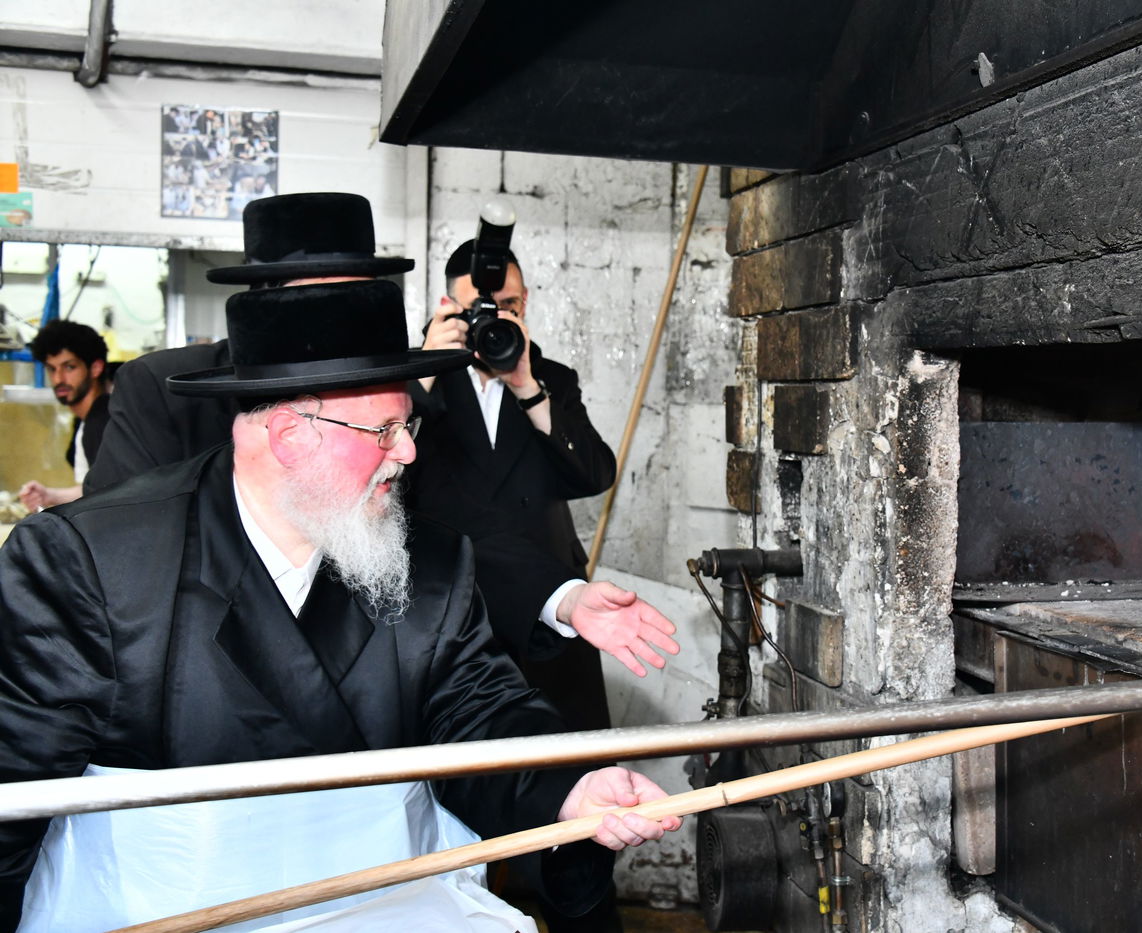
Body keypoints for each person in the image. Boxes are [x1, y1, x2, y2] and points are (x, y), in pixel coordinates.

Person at [0, 280, 682, 931]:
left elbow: (482, 711)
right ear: (292, 435)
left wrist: (566, 791)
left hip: (380, 906)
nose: (409, 453)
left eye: (408, 425)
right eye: (384, 431)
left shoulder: (432, 562)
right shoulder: (89, 561)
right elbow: (13, 791)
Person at [84, 192, 678, 674]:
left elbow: (450, 525)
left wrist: (563, 597)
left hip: (354, 683)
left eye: (351, 294)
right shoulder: (161, 390)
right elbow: (119, 546)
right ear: (262, 299)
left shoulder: (394, 397)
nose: (335, 316)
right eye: (313, 296)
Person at [412, 238, 622, 932]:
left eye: (509, 306)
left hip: (553, 631)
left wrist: (529, 386)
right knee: (451, 831)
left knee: (579, 827)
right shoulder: (416, 386)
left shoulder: (548, 376)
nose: (495, 320)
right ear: (448, 309)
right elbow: (387, 487)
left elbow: (593, 472)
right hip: (450, 630)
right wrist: (424, 374)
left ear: (525, 307)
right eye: (480, 310)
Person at [18, 320, 110, 512]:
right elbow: (94, 490)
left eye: (69, 367)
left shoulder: (106, 422)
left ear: (95, 368)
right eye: (52, 369)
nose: (58, 379)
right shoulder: (86, 423)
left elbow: (113, 498)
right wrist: (50, 496)